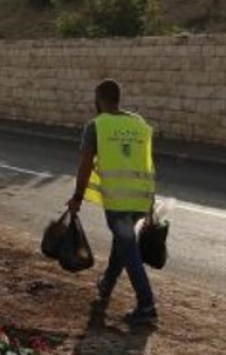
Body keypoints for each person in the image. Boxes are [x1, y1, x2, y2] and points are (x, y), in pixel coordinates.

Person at [67, 78, 159, 326]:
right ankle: (106, 284)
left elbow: (86, 164)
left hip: (118, 201)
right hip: (140, 198)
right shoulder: (139, 124)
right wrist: (151, 200)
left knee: (129, 249)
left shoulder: (96, 126)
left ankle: (147, 304)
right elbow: (147, 162)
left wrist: (77, 197)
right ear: (118, 99)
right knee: (122, 243)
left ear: (98, 100)